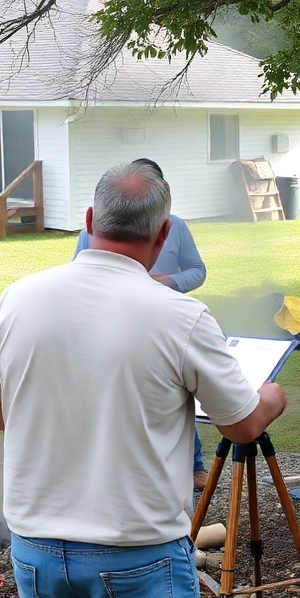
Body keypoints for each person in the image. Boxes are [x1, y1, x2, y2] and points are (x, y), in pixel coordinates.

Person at [0, 162, 286, 598]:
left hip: (37, 546)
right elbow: (244, 427)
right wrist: (269, 398)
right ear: (164, 234)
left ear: (90, 219)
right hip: (137, 548)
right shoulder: (180, 316)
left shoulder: (18, 297)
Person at [72, 158, 214, 489]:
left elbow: (198, 271)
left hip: (162, 326)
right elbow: (81, 274)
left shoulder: (176, 226)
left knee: (177, 396)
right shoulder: (88, 235)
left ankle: (193, 465)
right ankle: (112, 467)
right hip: (109, 327)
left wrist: (170, 282)